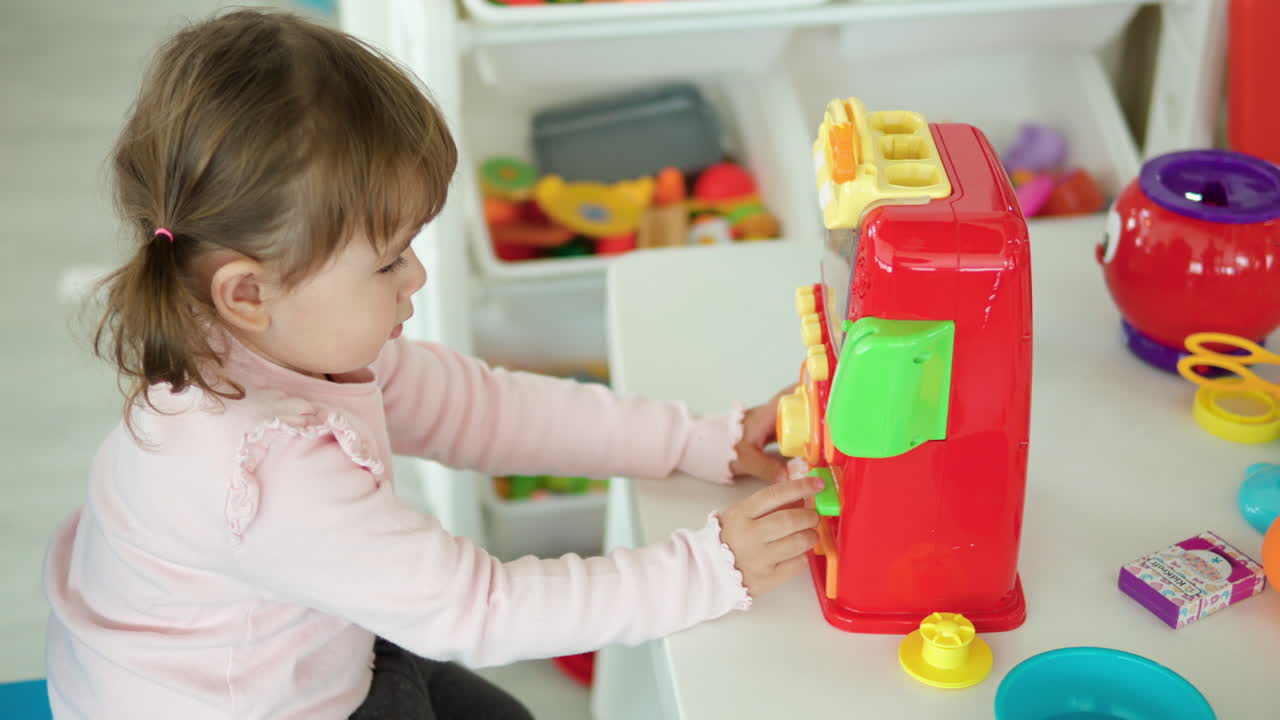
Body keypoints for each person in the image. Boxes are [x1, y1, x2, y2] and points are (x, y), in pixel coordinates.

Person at [43, 9, 821, 719]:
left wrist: (696, 440)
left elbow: (482, 411)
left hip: (305, 649)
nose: (415, 277)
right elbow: (478, 610)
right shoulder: (268, 477)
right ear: (249, 291)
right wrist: (710, 568)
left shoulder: (279, 333)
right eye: (387, 263)